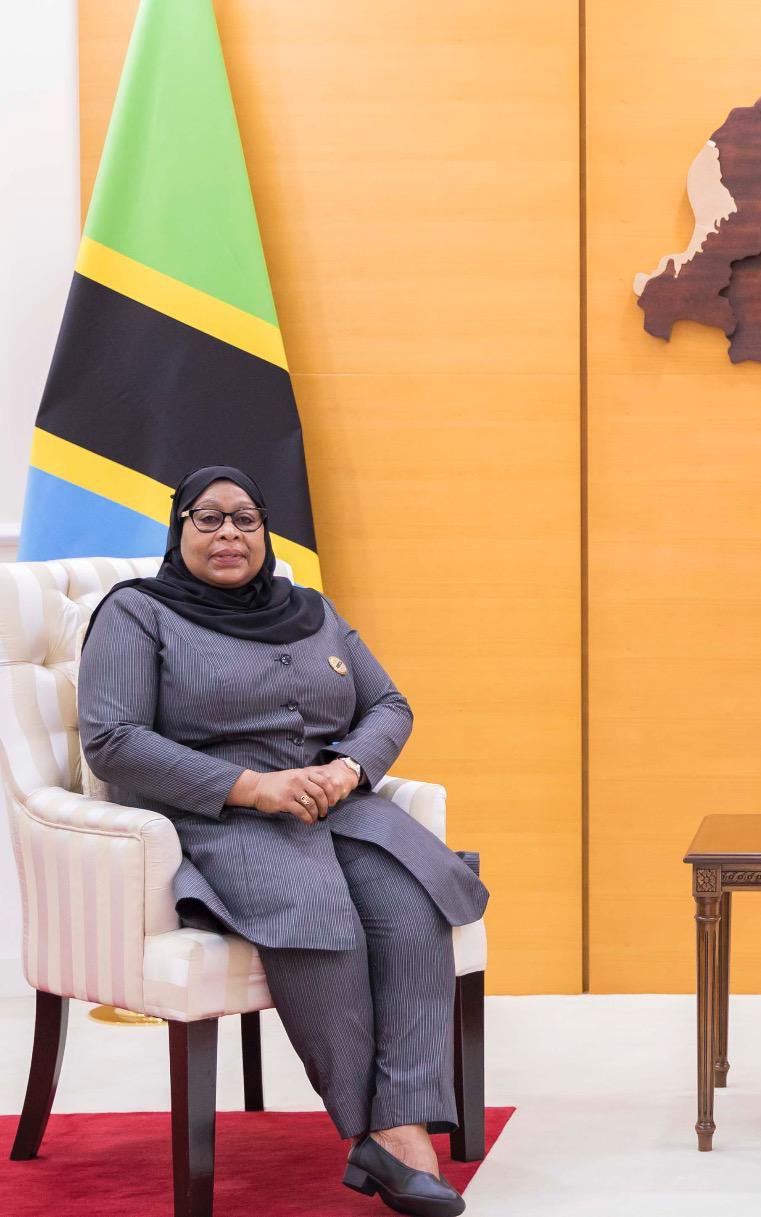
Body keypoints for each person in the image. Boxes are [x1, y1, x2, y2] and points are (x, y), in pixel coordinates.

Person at [78, 465, 490, 1217]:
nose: (228, 533)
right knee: (318, 914)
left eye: (245, 518)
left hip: (333, 805)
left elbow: (389, 704)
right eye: (207, 518)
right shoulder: (138, 613)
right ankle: (385, 1135)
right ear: (178, 529)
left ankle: (401, 1121)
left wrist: (347, 767)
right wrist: (251, 787)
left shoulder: (312, 611)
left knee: (412, 908)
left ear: (265, 531)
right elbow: (113, 740)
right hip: (219, 816)